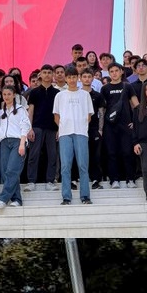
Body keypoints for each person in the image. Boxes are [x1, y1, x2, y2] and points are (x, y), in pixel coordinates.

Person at [53, 68, 95, 204]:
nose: (71, 80)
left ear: (78, 78)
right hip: (65, 134)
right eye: (69, 77)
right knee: (65, 166)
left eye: (74, 77)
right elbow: (56, 116)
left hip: (81, 133)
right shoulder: (60, 95)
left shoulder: (85, 95)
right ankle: (66, 196)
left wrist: (81, 125)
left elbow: (89, 115)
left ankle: (85, 196)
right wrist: (64, 126)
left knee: (83, 165)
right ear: (65, 78)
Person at [25, 67, 60, 188]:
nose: (47, 75)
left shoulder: (57, 93)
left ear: (53, 75)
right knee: (33, 155)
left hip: (52, 127)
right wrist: (29, 128)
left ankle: (50, 181)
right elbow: (31, 111)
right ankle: (31, 181)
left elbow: (59, 113)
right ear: (40, 75)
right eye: (44, 73)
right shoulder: (34, 92)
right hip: (37, 127)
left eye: (49, 73)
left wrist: (59, 129)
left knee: (52, 154)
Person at [0, 90, 30, 208]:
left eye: (9, 94)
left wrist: (22, 144)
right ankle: (17, 199)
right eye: (4, 94)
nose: (6, 97)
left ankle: (3, 198)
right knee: (6, 172)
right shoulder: (1, 111)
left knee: (12, 170)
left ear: (14, 95)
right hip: (4, 142)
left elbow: (25, 125)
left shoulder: (20, 109)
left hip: (17, 141)